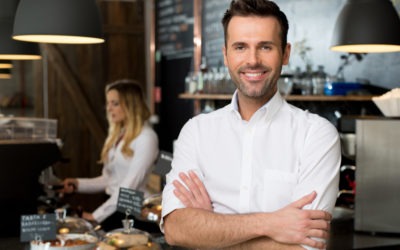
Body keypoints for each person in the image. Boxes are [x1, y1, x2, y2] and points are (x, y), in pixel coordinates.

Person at [161, 0, 340, 249]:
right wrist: (270, 224)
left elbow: (306, 245)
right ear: (225, 54)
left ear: (285, 53)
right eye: (240, 47)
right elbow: (176, 229)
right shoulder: (196, 131)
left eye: (265, 47)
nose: (252, 60)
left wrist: (212, 229)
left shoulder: (316, 134)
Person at [61, 79, 159, 231]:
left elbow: (129, 187)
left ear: (131, 105)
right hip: (114, 206)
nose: (109, 109)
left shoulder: (146, 138)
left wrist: (96, 216)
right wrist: (77, 184)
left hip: (135, 213)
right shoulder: (117, 135)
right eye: (108, 103)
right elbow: (109, 179)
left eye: (115, 103)